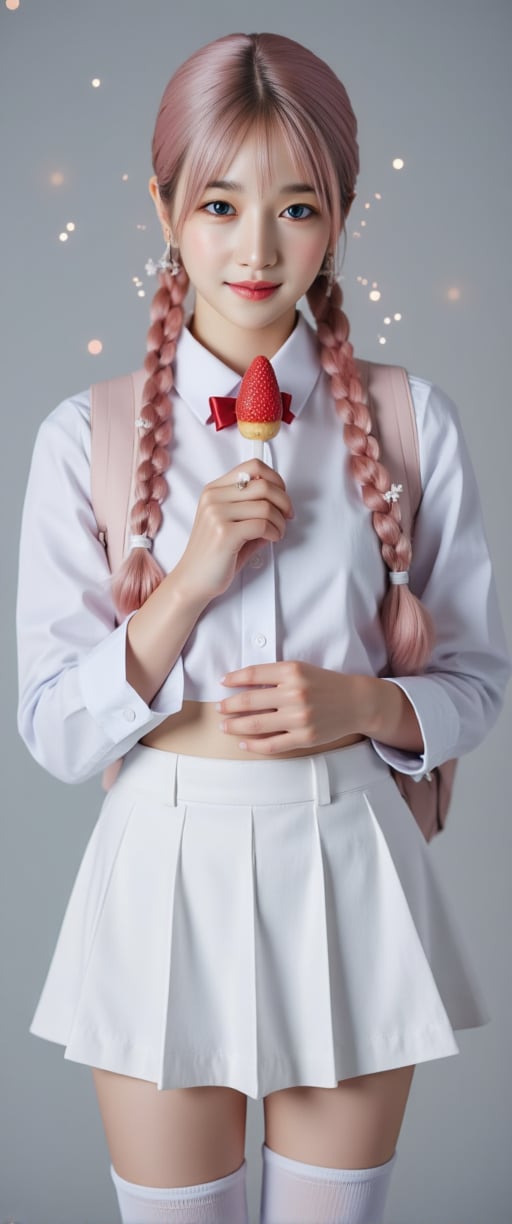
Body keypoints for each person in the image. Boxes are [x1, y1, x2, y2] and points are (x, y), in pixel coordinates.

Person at [16, 30, 510, 1224]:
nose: (253, 247)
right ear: (164, 205)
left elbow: (478, 682)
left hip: (351, 858)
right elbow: (50, 730)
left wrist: (371, 707)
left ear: (338, 212)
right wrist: (184, 582)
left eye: (296, 206)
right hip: (160, 870)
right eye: (220, 203)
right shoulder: (78, 436)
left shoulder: (406, 418)